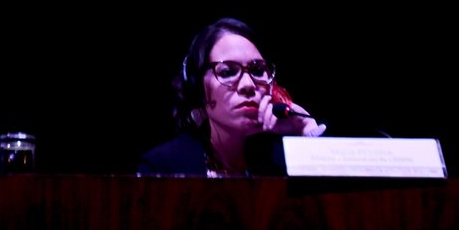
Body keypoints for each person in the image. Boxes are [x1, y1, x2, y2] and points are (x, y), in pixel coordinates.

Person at [138, 18, 324, 176]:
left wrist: (306, 131)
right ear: (198, 89)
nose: (248, 85)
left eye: (258, 70)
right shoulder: (162, 167)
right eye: (228, 72)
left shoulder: (284, 162)